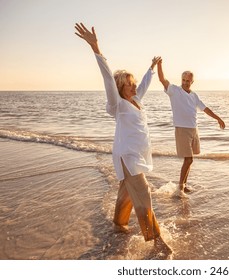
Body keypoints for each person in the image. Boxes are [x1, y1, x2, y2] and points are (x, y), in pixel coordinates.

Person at [74, 23, 172, 256]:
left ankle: (119, 224)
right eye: (127, 83)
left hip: (137, 154)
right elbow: (108, 79)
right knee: (143, 191)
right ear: (119, 87)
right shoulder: (116, 105)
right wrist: (96, 47)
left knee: (127, 192)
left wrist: (151, 68)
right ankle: (156, 240)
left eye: (133, 82)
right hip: (127, 156)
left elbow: (146, 84)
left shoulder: (136, 100)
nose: (132, 85)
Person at [157, 59, 225, 193]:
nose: (185, 82)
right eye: (183, 80)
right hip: (182, 129)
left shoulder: (194, 95)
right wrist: (159, 65)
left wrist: (218, 118)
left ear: (192, 82)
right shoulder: (174, 91)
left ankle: (183, 185)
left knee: (190, 160)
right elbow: (162, 79)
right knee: (188, 159)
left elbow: (205, 109)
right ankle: (180, 188)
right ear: (181, 80)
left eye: (188, 81)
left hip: (194, 129)